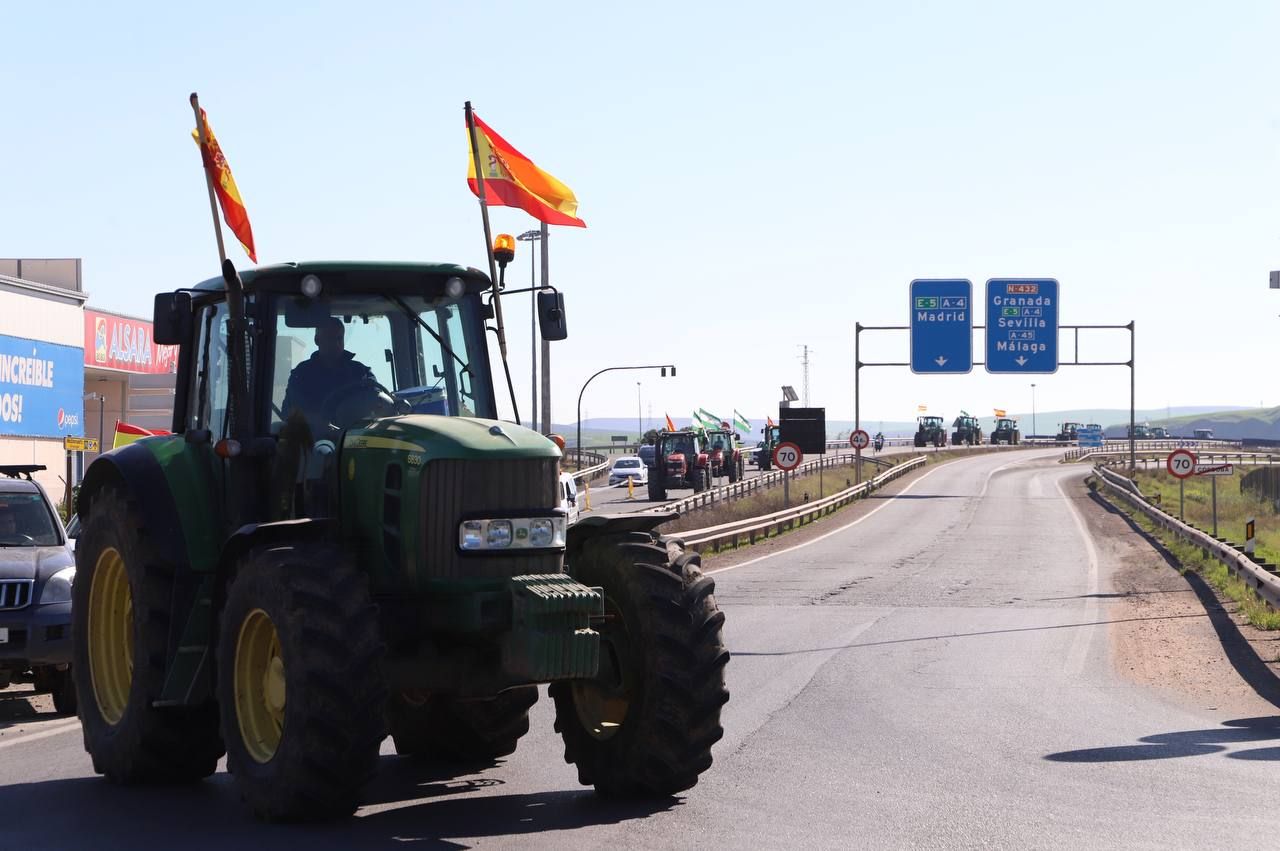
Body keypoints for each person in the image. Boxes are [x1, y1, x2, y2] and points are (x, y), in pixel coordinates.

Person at [281, 317, 375, 432]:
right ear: (317, 340)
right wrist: (317, 421)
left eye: (339, 338)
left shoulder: (361, 372)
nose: (336, 343)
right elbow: (290, 413)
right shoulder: (301, 374)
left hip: (354, 440)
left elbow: (377, 402)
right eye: (330, 338)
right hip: (312, 442)